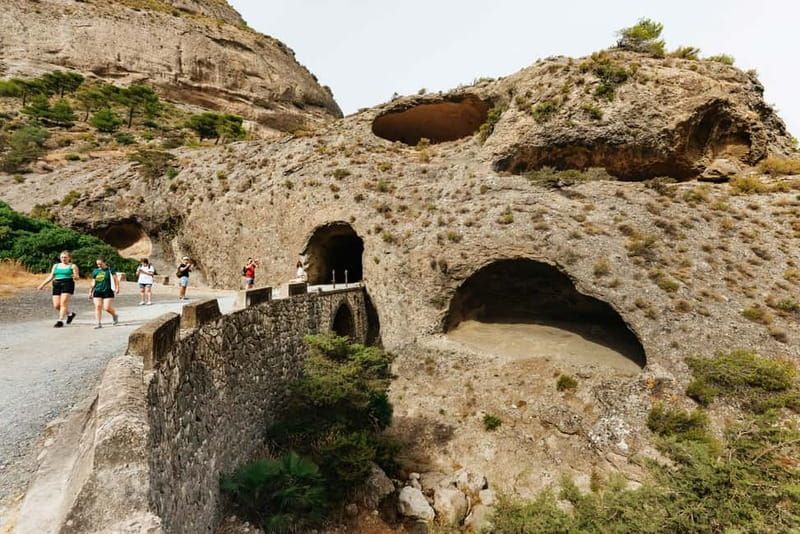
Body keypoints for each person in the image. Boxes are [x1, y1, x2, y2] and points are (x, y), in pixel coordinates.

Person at [37, 250, 79, 328]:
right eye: (62, 257)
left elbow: (77, 277)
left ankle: (60, 321)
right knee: (56, 305)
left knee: (63, 303)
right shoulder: (56, 266)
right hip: (57, 284)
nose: (63, 259)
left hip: (68, 284)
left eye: (65, 257)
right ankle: (70, 314)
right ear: (60, 258)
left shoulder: (73, 266)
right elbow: (51, 276)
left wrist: (75, 277)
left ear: (69, 258)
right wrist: (42, 285)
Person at [89, 256, 119, 329]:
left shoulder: (110, 270)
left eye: (100, 264)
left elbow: (116, 279)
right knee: (98, 306)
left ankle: (114, 315)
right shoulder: (95, 271)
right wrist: (90, 292)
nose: (99, 266)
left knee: (107, 308)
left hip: (108, 291)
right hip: (97, 291)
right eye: (98, 264)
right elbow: (93, 282)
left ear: (105, 263)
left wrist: (117, 288)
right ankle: (98, 323)